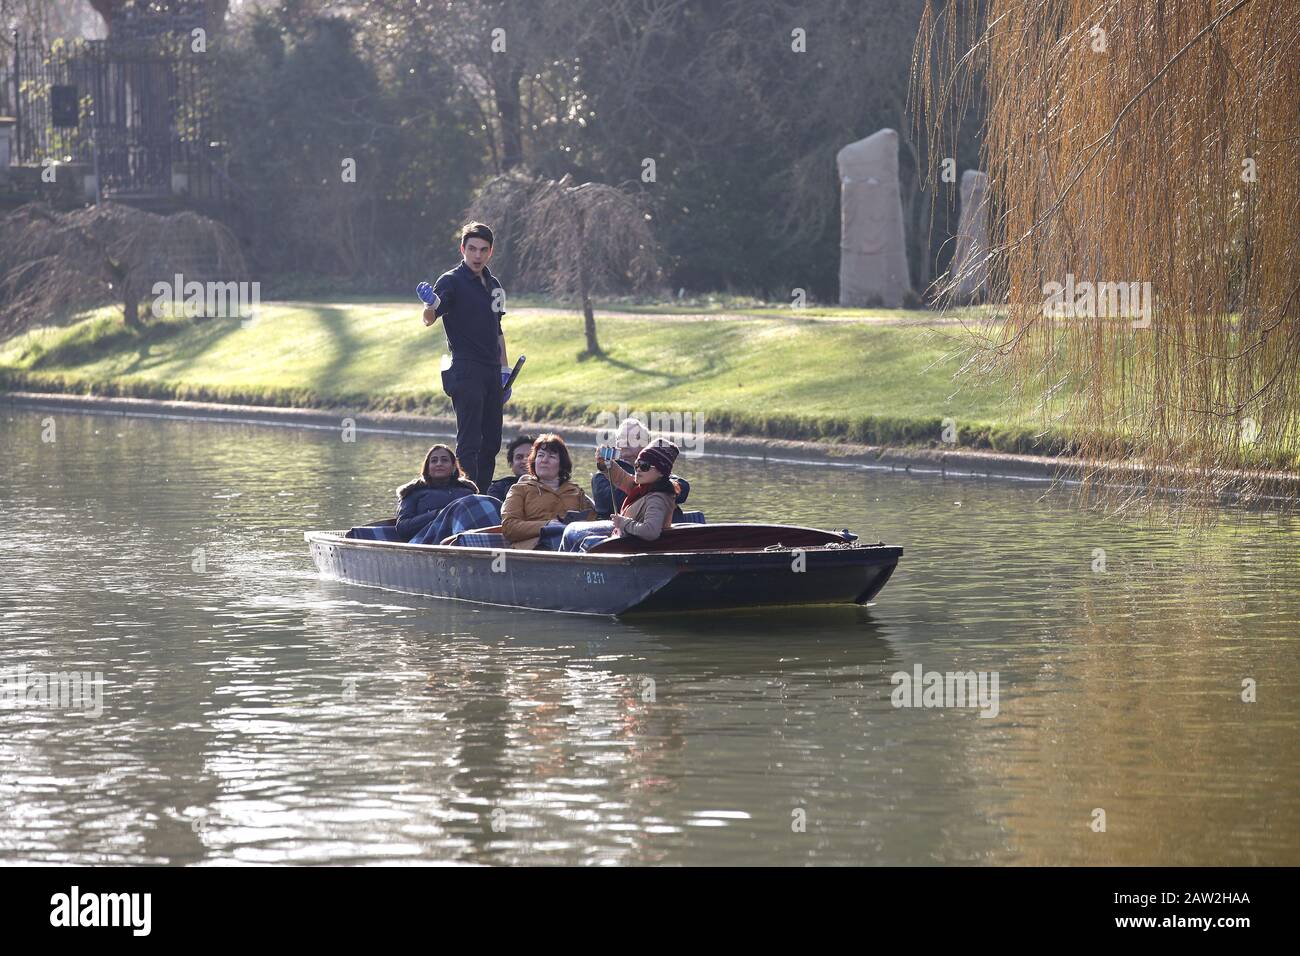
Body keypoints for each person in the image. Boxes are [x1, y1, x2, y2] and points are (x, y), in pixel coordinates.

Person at [421, 221, 511, 492]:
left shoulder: (495, 285)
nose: (477, 255)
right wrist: (429, 304)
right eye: (472, 249)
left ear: (490, 252)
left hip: (492, 370)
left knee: (492, 442)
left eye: (483, 250)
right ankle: (466, 496)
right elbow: (430, 318)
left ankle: (482, 495)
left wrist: (505, 371)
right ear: (462, 249)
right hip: (466, 368)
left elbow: (497, 330)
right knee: (470, 441)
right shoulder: (451, 281)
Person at [562, 441, 681, 552]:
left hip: (632, 548)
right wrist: (605, 463)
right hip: (625, 542)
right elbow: (621, 478)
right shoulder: (643, 487)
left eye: (644, 466)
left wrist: (624, 522)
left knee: (572, 532)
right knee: (572, 531)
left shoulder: (657, 498)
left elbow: (651, 532)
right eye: (637, 464)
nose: (638, 470)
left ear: (661, 472)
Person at [500, 434, 597, 550]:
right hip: (534, 549)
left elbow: (593, 525)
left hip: (571, 546)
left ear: (561, 465)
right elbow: (509, 527)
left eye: (551, 457)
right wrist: (547, 525)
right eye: (540, 455)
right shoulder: (519, 490)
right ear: (534, 461)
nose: (544, 460)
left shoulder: (576, 492)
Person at [395, 444, 502, 545]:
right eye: (434, 461)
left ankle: (495, 542)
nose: (439, 464)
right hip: (429, 539)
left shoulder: (467, 491)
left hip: (472, 536)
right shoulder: (413, 492)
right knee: (462, 506)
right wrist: (438, 514)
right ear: (427, 468)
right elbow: (402, 528)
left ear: (453, 467)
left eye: (444, 460)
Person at [592, 419, 691, 518]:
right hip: (629, 524)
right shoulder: (603, 473)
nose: (625, 442)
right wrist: (658, 487)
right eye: (621, 438)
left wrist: (660, 486)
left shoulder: (655, 468)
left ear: (647, 444)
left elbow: (683, 488)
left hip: (667, 524)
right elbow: (612, 502)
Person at [485, 435, 533, 501]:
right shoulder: (499, 489)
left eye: (530, 456)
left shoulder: (547, 487)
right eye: (519, 457)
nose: (525, 461)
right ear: (511, 464)